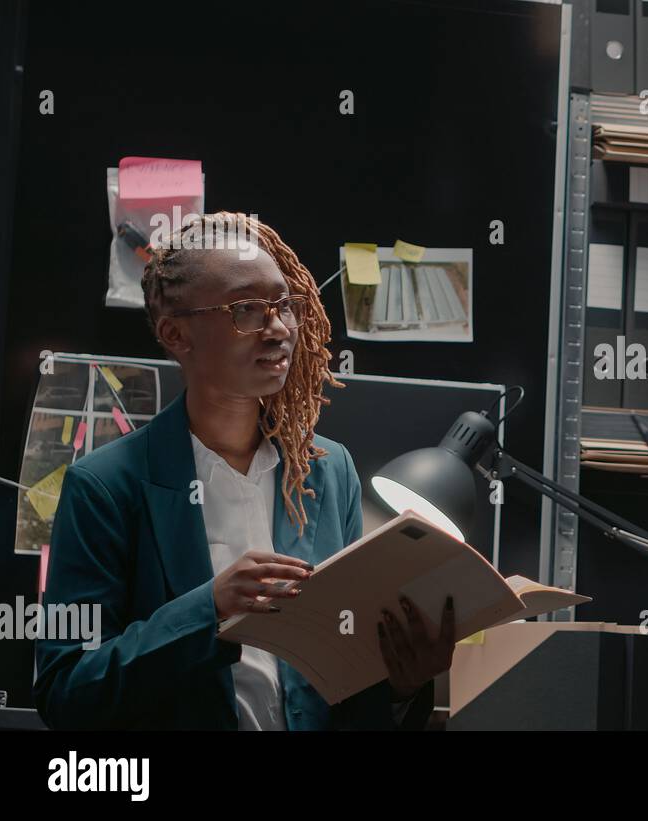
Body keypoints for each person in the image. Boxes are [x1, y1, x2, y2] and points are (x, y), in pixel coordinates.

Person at [34, 212, 454, 729]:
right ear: (175, 333)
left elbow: (340, 679)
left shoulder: (327, 470)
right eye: (246, 310)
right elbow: (65, 691)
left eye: (283, 306)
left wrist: (403, 686)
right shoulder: (105, 487)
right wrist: (206, 612)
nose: (277, 329)